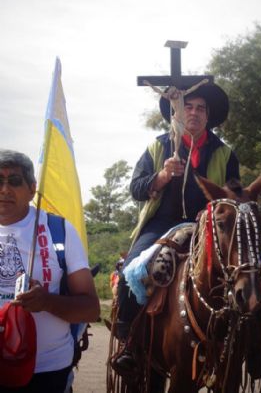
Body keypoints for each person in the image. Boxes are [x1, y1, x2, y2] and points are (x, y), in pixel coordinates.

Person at [111, 82, 240, 380]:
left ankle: (257, 348)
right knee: (132, 267)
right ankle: (129, 341)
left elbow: (234, 196)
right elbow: (136, 189)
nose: (193, 113)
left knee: (252, 268)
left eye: (200, 108)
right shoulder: (158, 146)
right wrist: (163, 176)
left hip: (208, 226)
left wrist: (212, 210)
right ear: (176, 112)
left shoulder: (224, 153)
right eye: (187, 107)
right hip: (160, 223)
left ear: (208, 116)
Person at [0, 149, 100, 393]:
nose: (4, 190)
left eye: (14, 181)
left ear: (33, 189)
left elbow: (91, 308)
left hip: (46, 372)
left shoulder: (59, 230)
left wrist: (46, 301)